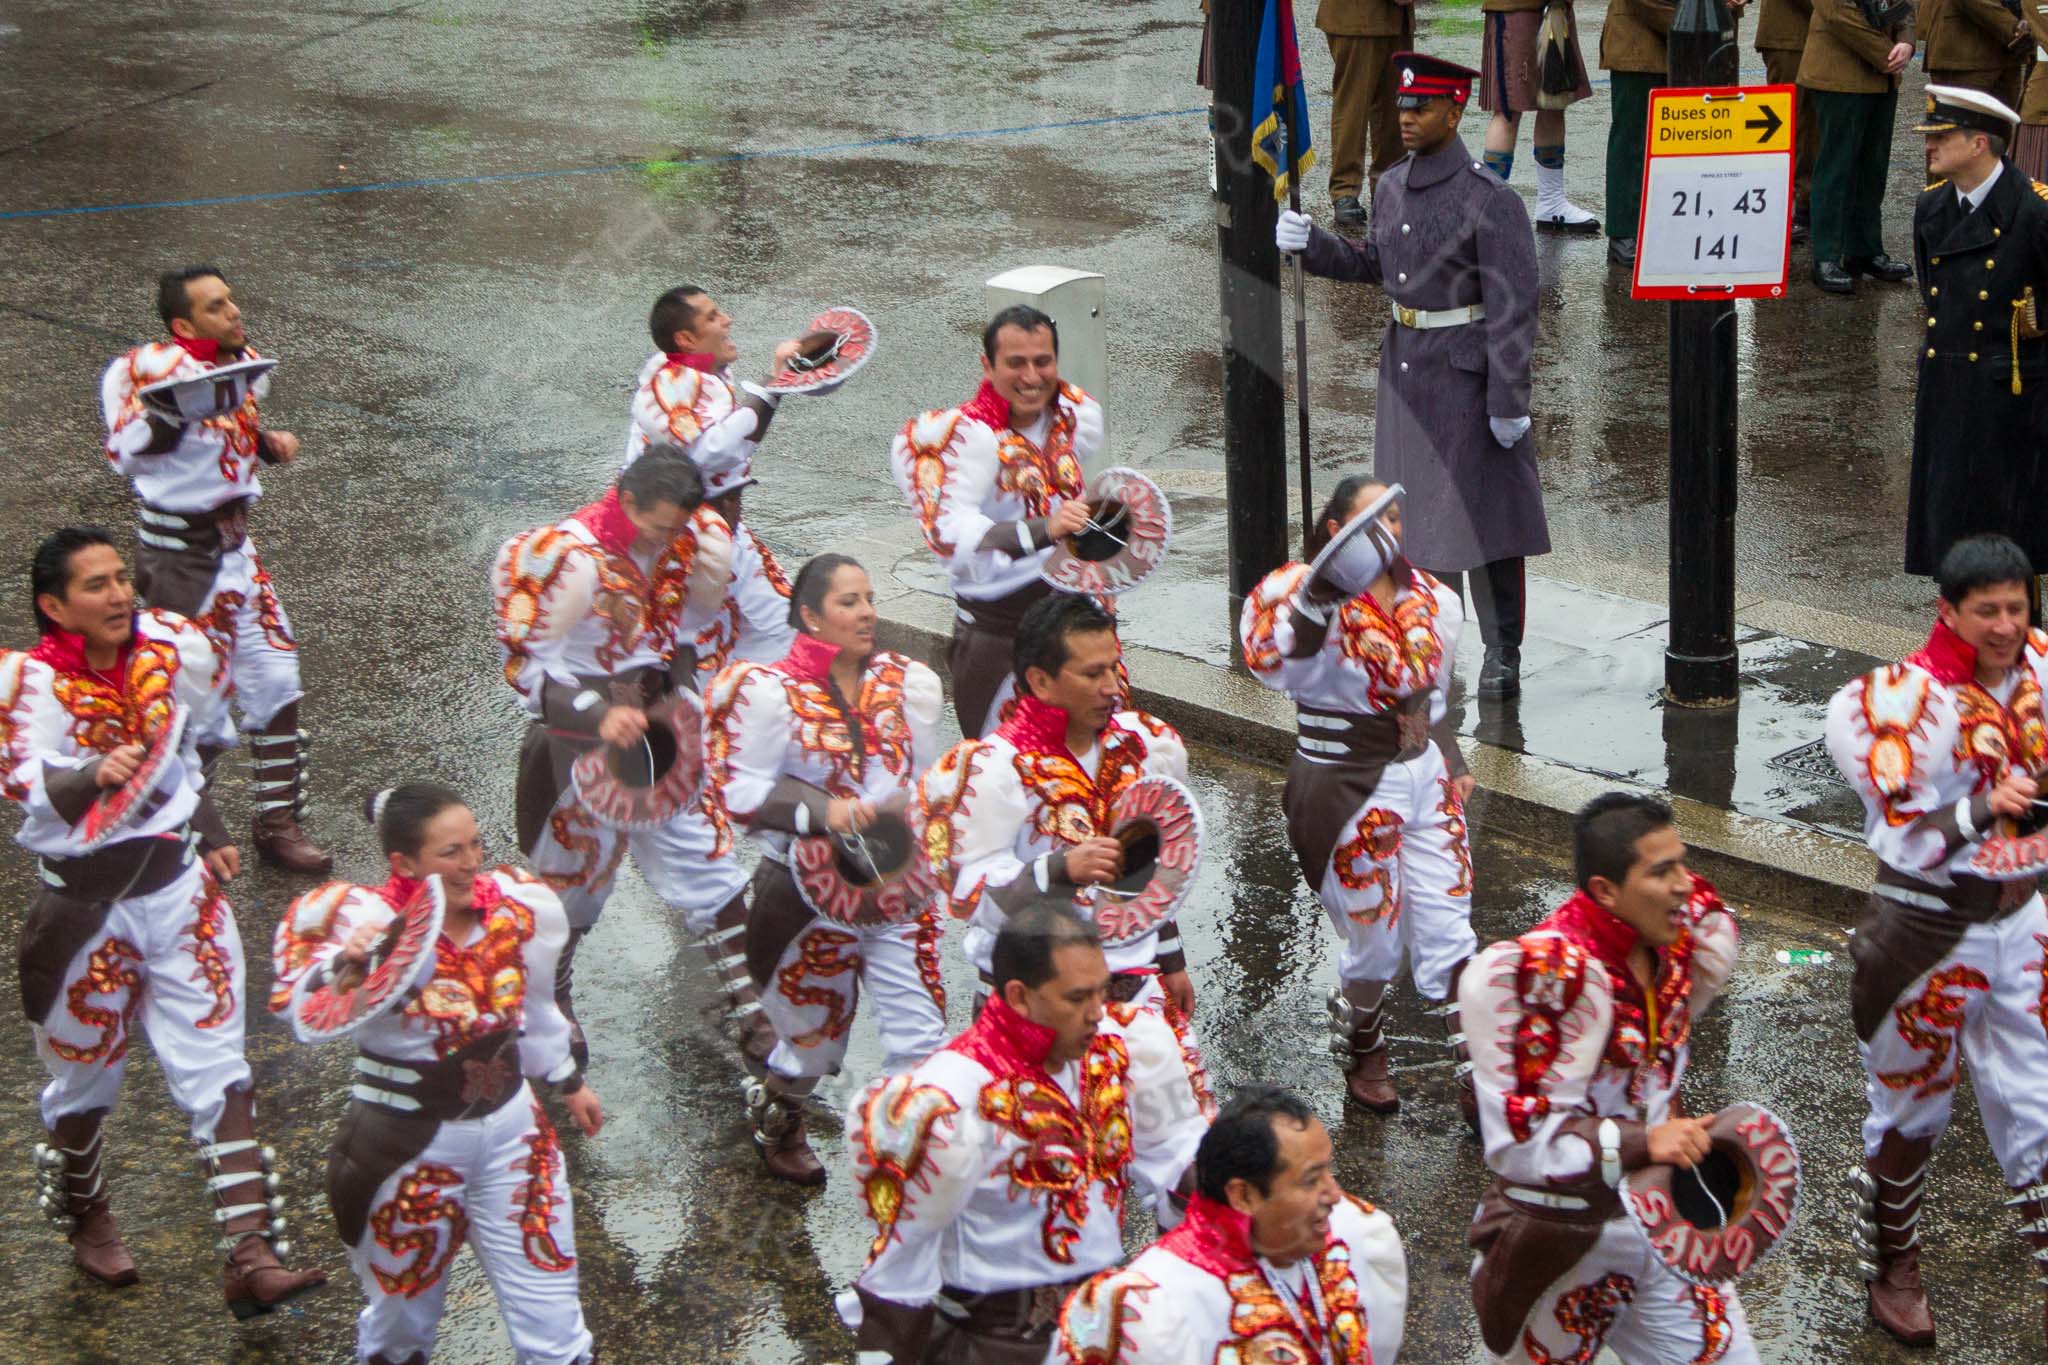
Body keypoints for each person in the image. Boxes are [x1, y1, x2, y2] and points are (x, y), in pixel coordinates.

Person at [11, 527, 326, 1314]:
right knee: (85, 1080)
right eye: (96, 585)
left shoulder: (169, 648)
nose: (120, 594)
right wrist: (90, 771)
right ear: (55, 606)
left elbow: (181, 754)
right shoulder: (25, 684)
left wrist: (211, 831)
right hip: (84, 914)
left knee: (217, 1066)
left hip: (180, 896)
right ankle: (88, 1215)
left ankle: (251, 1257)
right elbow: (22, 778)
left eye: (122, 577)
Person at [269, 784, 602, 1365]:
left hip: (514, 1137)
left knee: (557, 1329)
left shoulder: (518, 906)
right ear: (404, 863)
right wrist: (351, 967)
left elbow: (539, 1008)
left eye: (474, 844)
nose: (471, 862)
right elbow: (303, 1010)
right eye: (450, 853)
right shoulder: (362, 924)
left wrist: (568, 1082)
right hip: (402, 1150)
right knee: (401, 1333)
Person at [1823, 534, 2048, 1348]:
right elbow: (1903, 833)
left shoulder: (2042, 671)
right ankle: (1895, 1262)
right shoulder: (1892, 701)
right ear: (1946, 610)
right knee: (1912, 1110)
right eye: (1985, 609)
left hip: (2021, 919)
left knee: (2040, 1104)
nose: (2003, 624)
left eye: (2016, 607)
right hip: (1925, 933)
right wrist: (1986, 807)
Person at [1277, 52, 1547, 699]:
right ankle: (1435, 639)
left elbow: (1514, 307)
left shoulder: (1490, 199)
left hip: (1466, 375)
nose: (1405, 117)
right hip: (1405, 368)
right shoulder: (1393, 183)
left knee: (1485, 525)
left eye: (1421, 107)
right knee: (1416, 524)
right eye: (1402, 106)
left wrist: (1509, 397)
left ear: (1455, 113)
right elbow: (1378, 264)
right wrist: (1313, 244)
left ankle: (1503, 649)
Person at [838, 904, 1212, 1363]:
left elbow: (1178, 1164)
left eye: (1101, 992)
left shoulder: (1125, 1047)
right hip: (997, 1343)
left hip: (1100, 1329)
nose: (1098, 1013)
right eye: (1076, 999)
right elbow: (898, 1284)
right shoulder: (946, 1102)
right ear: (1018, 996)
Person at [491, 446, 765, 1072]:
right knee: (569, 893)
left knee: (709, 865)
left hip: (661, 734)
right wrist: (597, 715)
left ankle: (754, 1011)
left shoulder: (692, 542)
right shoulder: (563, 556)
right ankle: (554, 1002)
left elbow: (688, 635)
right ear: (628, 499)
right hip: (576, 747)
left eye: (677, 530)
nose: (666, 540)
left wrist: (687, 688)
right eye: (658, 526)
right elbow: (530, 666)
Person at [1460, 793, 1757, 1362]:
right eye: (1661, 871)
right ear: (1605, 891)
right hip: (1568, 1238)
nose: (1684, 886)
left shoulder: (1683, 943)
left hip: (1667, 1220)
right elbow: (1523, 1146)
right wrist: (1648, 1141)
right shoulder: (1549, 979)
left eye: (1682, 864)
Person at [1238, 478, 1479, 1119]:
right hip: (1343, 782)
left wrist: (1451, 759)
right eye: (1374, 519)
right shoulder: (1294, 592)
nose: (1391, 531)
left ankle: (1480, 1071)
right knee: (1376, 940)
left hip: (1423, 776)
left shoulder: (1432, 598)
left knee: (1450, 925)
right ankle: (1365, 1043)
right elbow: (1279, 661)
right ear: (1335, 528)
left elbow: (1430, 696)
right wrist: (1321, 597)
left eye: (1397, 517)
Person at [705, 553, 948, 1185]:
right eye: (849, 602)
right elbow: (743, 794)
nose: (867, 612)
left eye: (869, 598)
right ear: (809, 615)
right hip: (804, 899)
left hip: (898, 894)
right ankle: (776, 1113)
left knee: (920, 1043)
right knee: (812, 1048)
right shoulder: (767, 693)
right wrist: (827, 811)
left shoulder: (908, 684)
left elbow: (924, 785)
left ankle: (906, 1180)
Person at [97, 265, 331, 872]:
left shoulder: (242, 364)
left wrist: (264, 444)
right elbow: (127, 455)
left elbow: (229, 439)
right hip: (181, 563)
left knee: (278, 683)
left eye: (230, 300)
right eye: (216, 306)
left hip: (239, 554)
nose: (233, 313)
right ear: (182, 324)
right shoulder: (137, 373)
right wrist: (174, 413)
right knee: (193, 702)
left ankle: (277, 825)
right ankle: (192, 830)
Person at [918, 593, 1195, 1019]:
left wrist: (1171, 959)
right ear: (1041, 681)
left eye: (1113, 666)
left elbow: (1149, 872)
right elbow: (978, 899)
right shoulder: (992, 771)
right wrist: (1060, 870)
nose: (1112, 687)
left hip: (1135, 992)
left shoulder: (1140, 748)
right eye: (1092, 673)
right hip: (1034, 1004)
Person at [1053, 1085, 1408, 1364]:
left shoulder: (1354, 1234)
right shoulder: (1151, 1308)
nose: (1333, 1194)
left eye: (1329, 1170)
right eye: (1310, 1179)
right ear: (1244, 1195)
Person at [890, 305, 1106, 739]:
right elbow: (951, 535)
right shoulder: (961, 439)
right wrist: (1047, 528)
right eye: (1016, 363)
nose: (1031, 377)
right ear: (987, 365)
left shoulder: (1073, 416)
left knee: (1090, 766)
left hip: (1079, 631)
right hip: (1003, 638)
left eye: (1042, 361)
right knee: (1007, 774)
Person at [1906, 88, 2048, 587]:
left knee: (2011, 537)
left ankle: (2021, 647)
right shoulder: (1931, 209)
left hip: (2010, 395)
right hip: (1947, 388)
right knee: (1951, 534)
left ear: (1980, 143)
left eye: (1942, 137)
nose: (1929, 147)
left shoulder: (2033, 211)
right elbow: (1933, 296)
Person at [626, 285, 803, 679]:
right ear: (686, 339)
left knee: (788, 635)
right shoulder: (668, 387)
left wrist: (789, 378)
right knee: (698, 655)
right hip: (684, 552)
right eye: (712, 316)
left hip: (725, 540)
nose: (727, 321)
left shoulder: (698, 374)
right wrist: (775, 385)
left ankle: (769, 719)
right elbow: (717, 449)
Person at [1602, 0, 1751, 265]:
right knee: (1633, 140)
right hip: (1640, 42)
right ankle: (1624, 231)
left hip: (1701, 42)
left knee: (1689, 147)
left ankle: (1677, 226)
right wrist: (1697, 21)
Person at [1799, 0, 1918, 293]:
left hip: (1883, 77)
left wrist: (1906, 43)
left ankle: (1865, 250)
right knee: (1835, 169)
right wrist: (1886, 55)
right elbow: (1838, 14)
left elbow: (1903, 6)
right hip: (1839, 74)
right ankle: (1826, 256)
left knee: (1872, 169)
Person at [1479, 0, 1602, 233]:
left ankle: (1551, 201)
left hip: (1556, 8)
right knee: (1508, 111)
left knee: (1555, 102)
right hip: (1516, 9)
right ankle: (1489, 211)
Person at [1317, 0, 1416, 228]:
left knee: (1396, 108)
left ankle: (1389, 187)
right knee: (1353, 106)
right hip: (1356, 16)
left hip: (1396, 18)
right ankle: (1345, 191)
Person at [1754, 0, 1820, 241]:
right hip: (1790, 37)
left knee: (1809, 127)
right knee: (1795, 125)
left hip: (1810, 35)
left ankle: (1805, 203)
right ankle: (1793, 208)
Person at [1920, 0, 2028, 111]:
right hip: (1964, 56)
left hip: (2007, 56)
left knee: (2002, 123)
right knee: (1961, 122)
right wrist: (2016, 29)